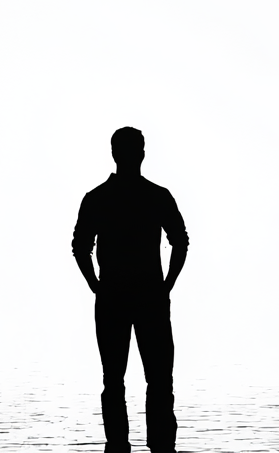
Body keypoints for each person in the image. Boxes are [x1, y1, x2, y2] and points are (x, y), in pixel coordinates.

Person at [72, 127, 189, 453]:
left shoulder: (98, 198)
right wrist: (167, 284)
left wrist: (97, 285)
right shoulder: (157, 195)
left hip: (114, 297)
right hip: (148, 295)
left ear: (114, 153)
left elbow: (81, 248)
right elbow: (180, 242)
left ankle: (120, 447)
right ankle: (162, 448)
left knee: (115, 382)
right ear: (141, 153)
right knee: (158, 382)